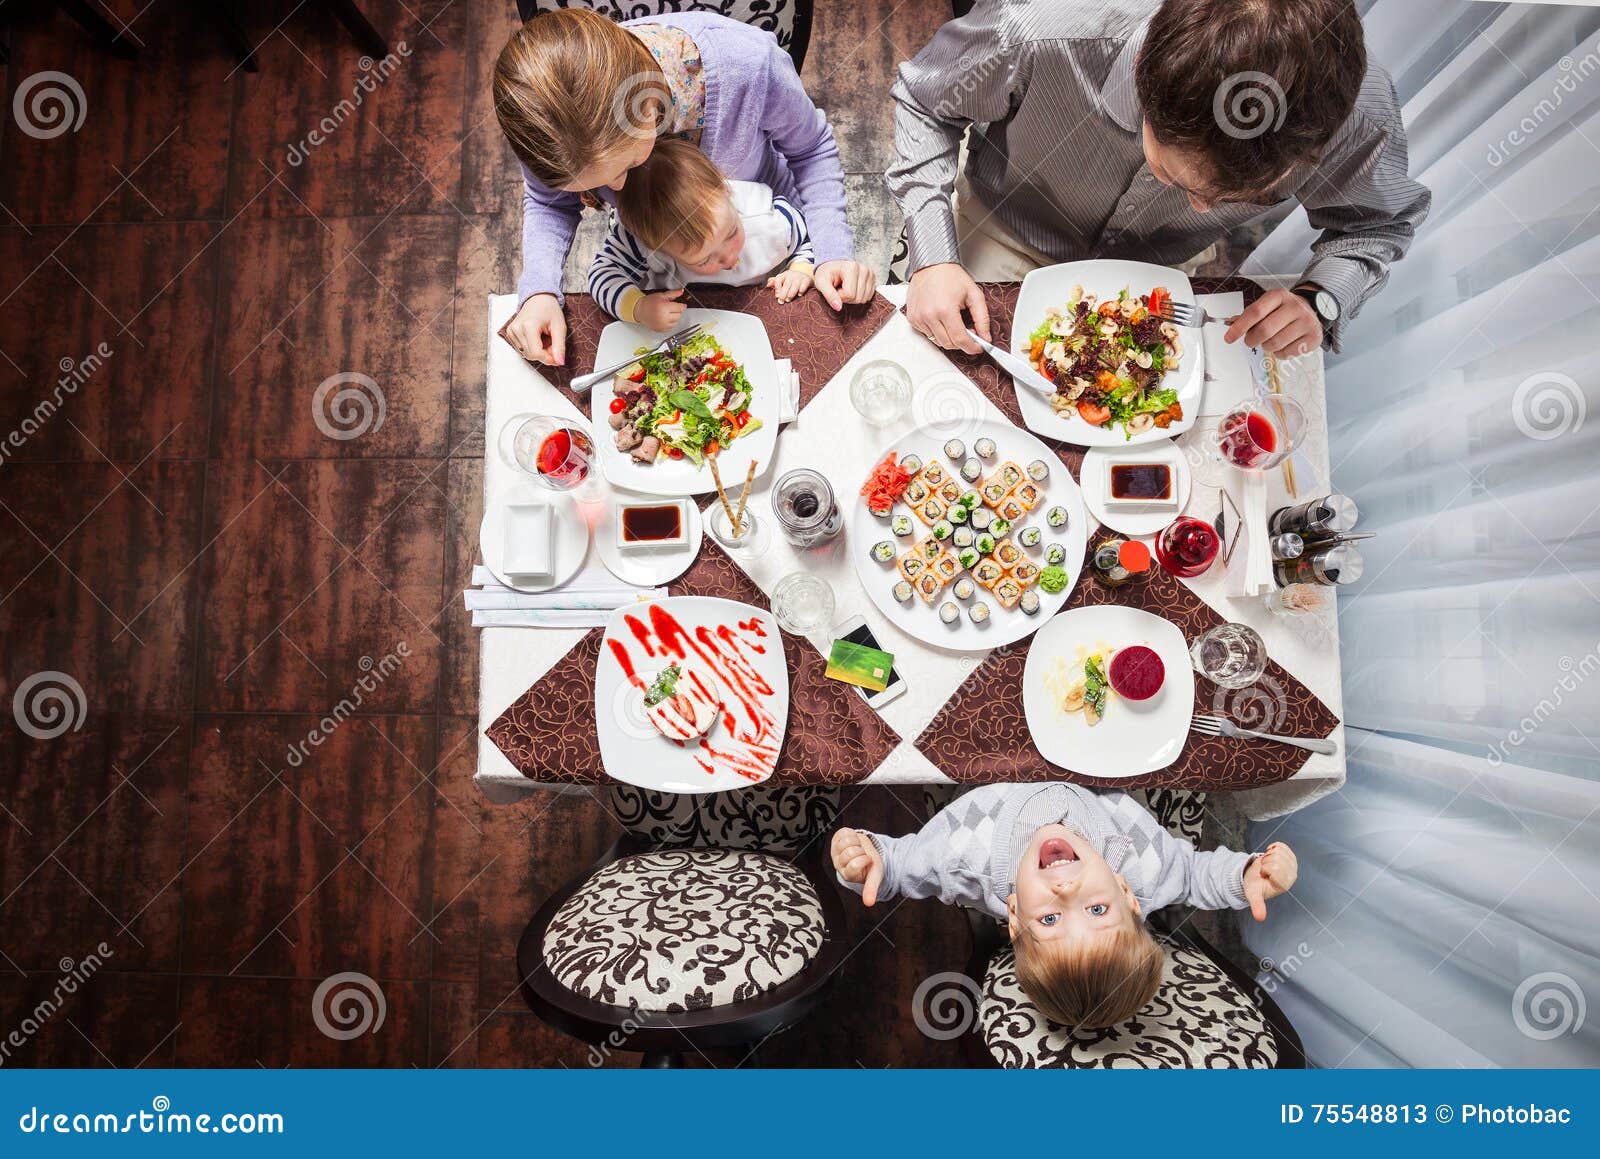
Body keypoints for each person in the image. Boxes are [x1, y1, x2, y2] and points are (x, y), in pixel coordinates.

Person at [888, 0, 1430, 356]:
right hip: (1005, 225)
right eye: (1175, 176)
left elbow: (1377, 226)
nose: (1201, 213)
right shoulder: (1037, 28)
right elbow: (924, 101)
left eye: (1235, 201)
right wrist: (934, 257)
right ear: (1146, 77)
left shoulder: (1356, 115)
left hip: (1160, 272)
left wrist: (1321, 298)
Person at [493, 8, 876, 366]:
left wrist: (829, 253)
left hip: (762, 228)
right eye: (592, 187)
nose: (616, 190)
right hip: (667, 257)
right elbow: (550, 204)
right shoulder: (550, 128)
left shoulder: (749, 65)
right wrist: (540, 289)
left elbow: (811, 149)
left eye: (626, 164)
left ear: (649, 107)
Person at [831, 783, 1298, 1028]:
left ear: (1013, 916)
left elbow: (900, 867)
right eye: (1098, 910)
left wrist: (869, 859)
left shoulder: (961, 855)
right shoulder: (1145, 868)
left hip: (994, 769)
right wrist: (1245, 877)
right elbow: (1196, 876)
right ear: (1129, 896)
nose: (1066, 891)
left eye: (1050, 919)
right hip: (1098, 769)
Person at [588, 138, 828, 329]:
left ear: (725, 190)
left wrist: (801, 268)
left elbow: (809, 237)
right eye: (704, 259)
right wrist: (639, 308)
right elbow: (601, 276)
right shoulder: (641, 241)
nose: (728, 258)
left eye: (731, 233)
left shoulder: (770, 220)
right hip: (682, 321)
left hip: (756, 310)